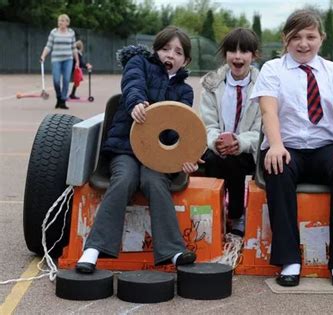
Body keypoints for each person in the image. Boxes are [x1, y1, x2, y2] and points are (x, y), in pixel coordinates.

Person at [250, 9, 333, 288]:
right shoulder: (272, 69)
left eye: (310, 36)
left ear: (321, 38)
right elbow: (268, 111)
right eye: (296, 37)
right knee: (278, 167)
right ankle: (289, 260)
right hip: (286, 146)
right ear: (285, 40)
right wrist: (275, 145)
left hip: (324, 146)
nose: (303, 43)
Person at [76, 26, 199, 274]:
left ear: (185, 60)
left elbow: (180, 130)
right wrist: (136, 103)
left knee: (154, 182)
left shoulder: (185, 91)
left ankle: (173, 251)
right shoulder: (139, 63)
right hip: (125, 148)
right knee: (124, 179)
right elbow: (132, 84)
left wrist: (185, 158)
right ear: (156, 51)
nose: (170, 55)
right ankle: (93, 249)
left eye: (177, 52)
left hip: (158, 157)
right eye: (165, 49)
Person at [199, 28, 261, 237]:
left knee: (235, 161)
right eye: (232, 51)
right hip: (217, 148)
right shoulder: (212, 85)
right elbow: (207, 123)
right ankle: (214, 212)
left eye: (244, 51)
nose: (237, 56)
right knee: (212, 159)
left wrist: (239, 142)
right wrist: (216, 141)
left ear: (254, 55)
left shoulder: (264, 86)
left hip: (249, 150)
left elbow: (261, 129)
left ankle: (236, 214)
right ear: (224, 54)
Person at [40, 14, 80, 110]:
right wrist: (43, 56)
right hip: (56, 59)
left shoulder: (71, 33)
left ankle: (63, 100)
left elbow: (74, 48)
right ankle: (58, 96)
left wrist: (77, 61)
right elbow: (48, 46)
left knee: (66, 80)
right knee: (56, 81)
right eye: (59, 21)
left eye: (62, 21)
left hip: (68, 59)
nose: (60, 23)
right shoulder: (54, 32)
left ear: (67, 23)